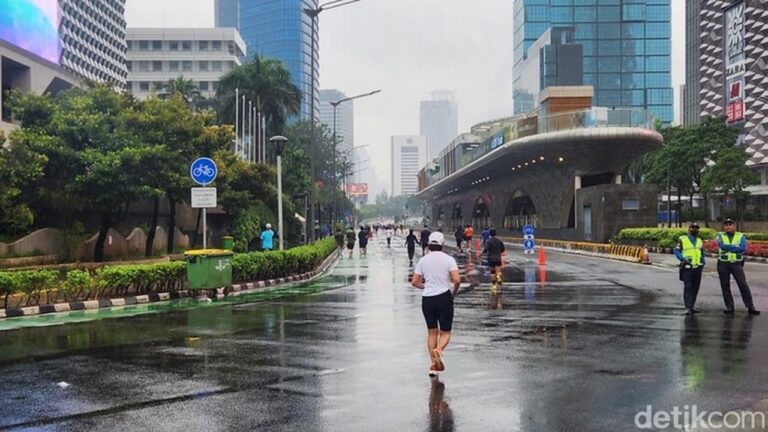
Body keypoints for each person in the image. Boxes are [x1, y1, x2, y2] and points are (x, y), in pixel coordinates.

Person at [411, 232, 461, 377]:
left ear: (429, 245)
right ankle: (439, 350)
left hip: (427, 299)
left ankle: (433, 366)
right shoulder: (449, 260)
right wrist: (453, 293)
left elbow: (414, 282)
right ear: (443, 245)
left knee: (432, 332)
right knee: (445, 332)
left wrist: (425, 287)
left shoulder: (423, 260)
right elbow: (457, 280)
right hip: (444, 297)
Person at [716, 218, 760, 315]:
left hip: (736, 263)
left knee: (743, 284)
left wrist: (730, 248)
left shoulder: (741, 236)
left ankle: (750, 306)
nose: (728, 226)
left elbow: (743, 249)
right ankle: (729, 306)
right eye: (726, 225)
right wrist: (735, 247)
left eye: (730, 224)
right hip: (723, 263)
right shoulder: (720, 235)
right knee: (725, 285)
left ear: (734, 226)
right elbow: (722, 246)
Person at [674, 223, 705, 316]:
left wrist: (703, 262)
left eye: (696, 228)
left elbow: (701, 253)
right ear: (689, 229)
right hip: (687, 267)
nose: (694, 230)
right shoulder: (683, 239)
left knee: (695, 288)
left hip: (698, 267)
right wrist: (682, 259)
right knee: (688, 287)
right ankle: (687, 307)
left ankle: (692, 306)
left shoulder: (699, 241)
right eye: (693, 228)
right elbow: (676, 250)